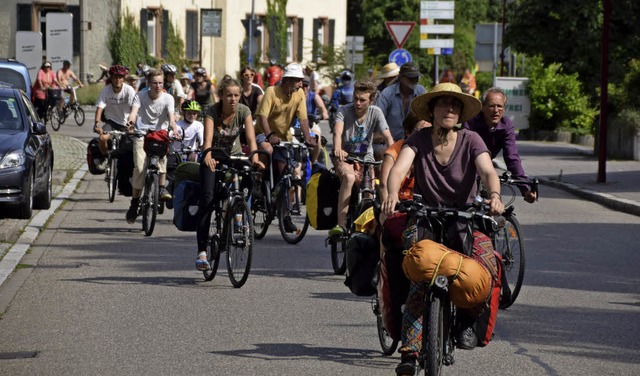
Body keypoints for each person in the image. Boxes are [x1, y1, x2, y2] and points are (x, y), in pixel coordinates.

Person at [381, 83, 504, 375]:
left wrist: (495, 196)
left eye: (455, 105)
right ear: (432, 110)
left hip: (463, 220)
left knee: (487, 267)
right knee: (416, 278)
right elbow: (399, 170)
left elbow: (488, 172)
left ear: (461, 112)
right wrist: (391, 194)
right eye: (443, 104)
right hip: (424, 217)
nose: (449, 109)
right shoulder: (419, 139)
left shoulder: (472, 140)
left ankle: (466, 322)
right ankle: (409, 353)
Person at [194, 78, 263, 271]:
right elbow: (207, 140)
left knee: (250, 176)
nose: (233, 99)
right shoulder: (212, 111)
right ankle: (202, 252)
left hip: (234, 157)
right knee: (207, 200)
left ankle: (238, 210)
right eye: (229, 95)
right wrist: (207, 155)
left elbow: (250, 139)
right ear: (221, 96)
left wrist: (255, 157)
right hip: (213, 157)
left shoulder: (244, 111)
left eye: (236, 95)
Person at [254, 63, 317, 232]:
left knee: (287, 173)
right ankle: (258, 183)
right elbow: (262, 117)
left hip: (283, 138)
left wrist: (308, 137)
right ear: (287, 80)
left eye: (301, 81)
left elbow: (303, 119)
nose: (300, 84)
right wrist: (269, 136)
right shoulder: (271, 92)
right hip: (263, 133)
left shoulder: (299, 95)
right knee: (267, 150)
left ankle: (285, 215)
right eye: (297, 81)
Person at [329, 80, 394, 237]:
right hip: (344, 157)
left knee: (369, 194)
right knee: (349, 177)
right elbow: (337, 132)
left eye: (362, 100)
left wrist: (393, 155)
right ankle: (342, 226)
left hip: (367, 160)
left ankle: (366, 232)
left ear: (371, 101)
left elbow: (388, 137)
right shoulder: (343, 110)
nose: (357, 103)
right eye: (356, 98)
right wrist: (338, 148)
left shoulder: (376, 112)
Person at [125, 69, 181, 224]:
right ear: (148, 83)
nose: (158, 86)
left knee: (162, 161)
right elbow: (134, 112)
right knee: (140, 168)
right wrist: (130, 122)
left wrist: (174, 128)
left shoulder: (168, 98)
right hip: (142, 134)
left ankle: (161, 187)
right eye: (155, 83)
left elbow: (171, 116)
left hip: (160, 134)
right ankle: (135, 202)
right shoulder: (140, 96)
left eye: (160, 83)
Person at [462, 87, 537, 203]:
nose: (496, 110)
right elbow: (462, 153)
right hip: (464, 169)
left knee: (493, 205)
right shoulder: (470, 122)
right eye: (491, 106)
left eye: (500, 106)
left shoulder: (507, 126)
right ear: (482, 107)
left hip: (485, 171)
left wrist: (525, 189)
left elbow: (512, 157)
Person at [378, 112, 430, 204]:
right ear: (408, 132)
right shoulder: (393, 152)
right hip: (397, 205)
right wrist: (388, 210)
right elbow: (384, 185)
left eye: (428, 132)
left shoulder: (433, 152)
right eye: (420, 132)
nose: (424, 137)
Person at [376, 62, 427, 142]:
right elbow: (378, 118)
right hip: (390, 140)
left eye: (416, 77)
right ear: (400, 78)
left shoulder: (421, 91)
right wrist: (387, 138)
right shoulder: (387, 93)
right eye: (411, 77)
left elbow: (427, 115)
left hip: (415, 141)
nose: (414, 80)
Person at [94, 65, 136, 156]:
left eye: (120, 77)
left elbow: (134, 108)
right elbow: (99, 108)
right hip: (111, 122)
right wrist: (97, 124)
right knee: (102, 139)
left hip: (126, 124)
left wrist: (131, 123)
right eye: (115, 77)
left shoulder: (129, 90)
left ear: (123, 79)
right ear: (111, 78)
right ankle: (106, 158)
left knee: (129, 149)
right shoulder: (106, 90)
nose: (117, 80)